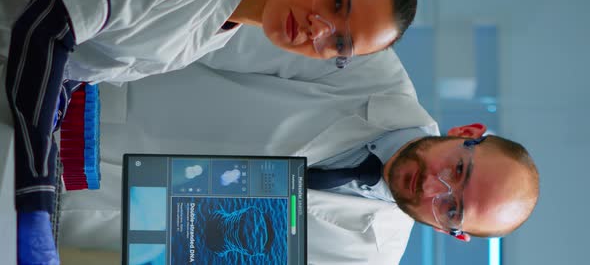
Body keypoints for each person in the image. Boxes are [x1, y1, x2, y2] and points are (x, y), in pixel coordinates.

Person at [0, 0, 419, 263]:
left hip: (39, 126)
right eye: (336, 0)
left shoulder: (217, 26)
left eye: (341, 43)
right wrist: (33, 197)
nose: (319, 28)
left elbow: (101, 50)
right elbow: (47, 30)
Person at [56, 26, 539, 265]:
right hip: (74, 96)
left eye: (451, 209)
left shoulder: (363, 258)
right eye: (458, 171)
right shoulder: (365, 67)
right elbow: (207, 34)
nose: (434, 186)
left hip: (60, 213)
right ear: (469, 133)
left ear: (453, 233)